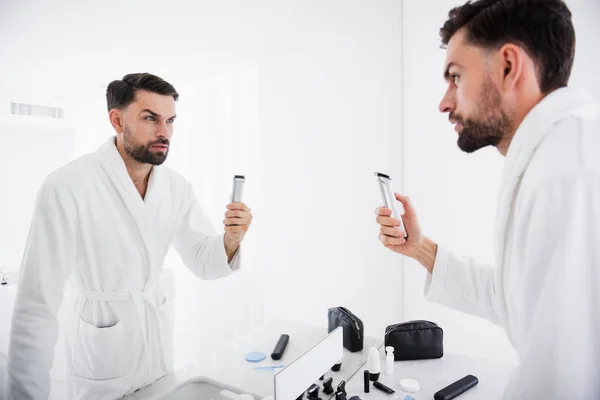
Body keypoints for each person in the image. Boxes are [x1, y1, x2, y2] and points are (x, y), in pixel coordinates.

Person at [376, 0, 600, 398]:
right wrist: (420, 248)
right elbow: (515, 300)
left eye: (456, 77)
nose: (445, 102)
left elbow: (560, 380)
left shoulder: (567, 172)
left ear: (509, 67)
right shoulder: (551, 158)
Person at [7, 73, 253, 400]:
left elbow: (203, 262)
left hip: (157, 350)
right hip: (102, 355)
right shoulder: (67, 186)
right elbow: (36, 307)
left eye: (170, 120)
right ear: (117, 119)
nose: (164, 131)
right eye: (150, 118)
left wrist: (232, 238)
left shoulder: (176, 188)